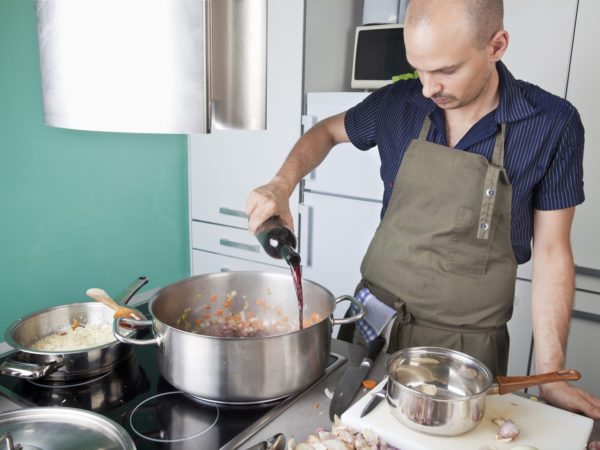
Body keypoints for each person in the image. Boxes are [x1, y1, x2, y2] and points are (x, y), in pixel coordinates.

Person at [246, 0, 600, 418]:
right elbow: (325, 131)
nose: (428, 87)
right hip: (370, 319)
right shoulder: (399, 102)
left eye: (446, 71)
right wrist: (281, 184)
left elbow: (553, 252)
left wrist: (551, 372)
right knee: (341, 434)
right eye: (419, 68)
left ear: (496, 45)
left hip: (464, 351)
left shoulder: (552, 123)